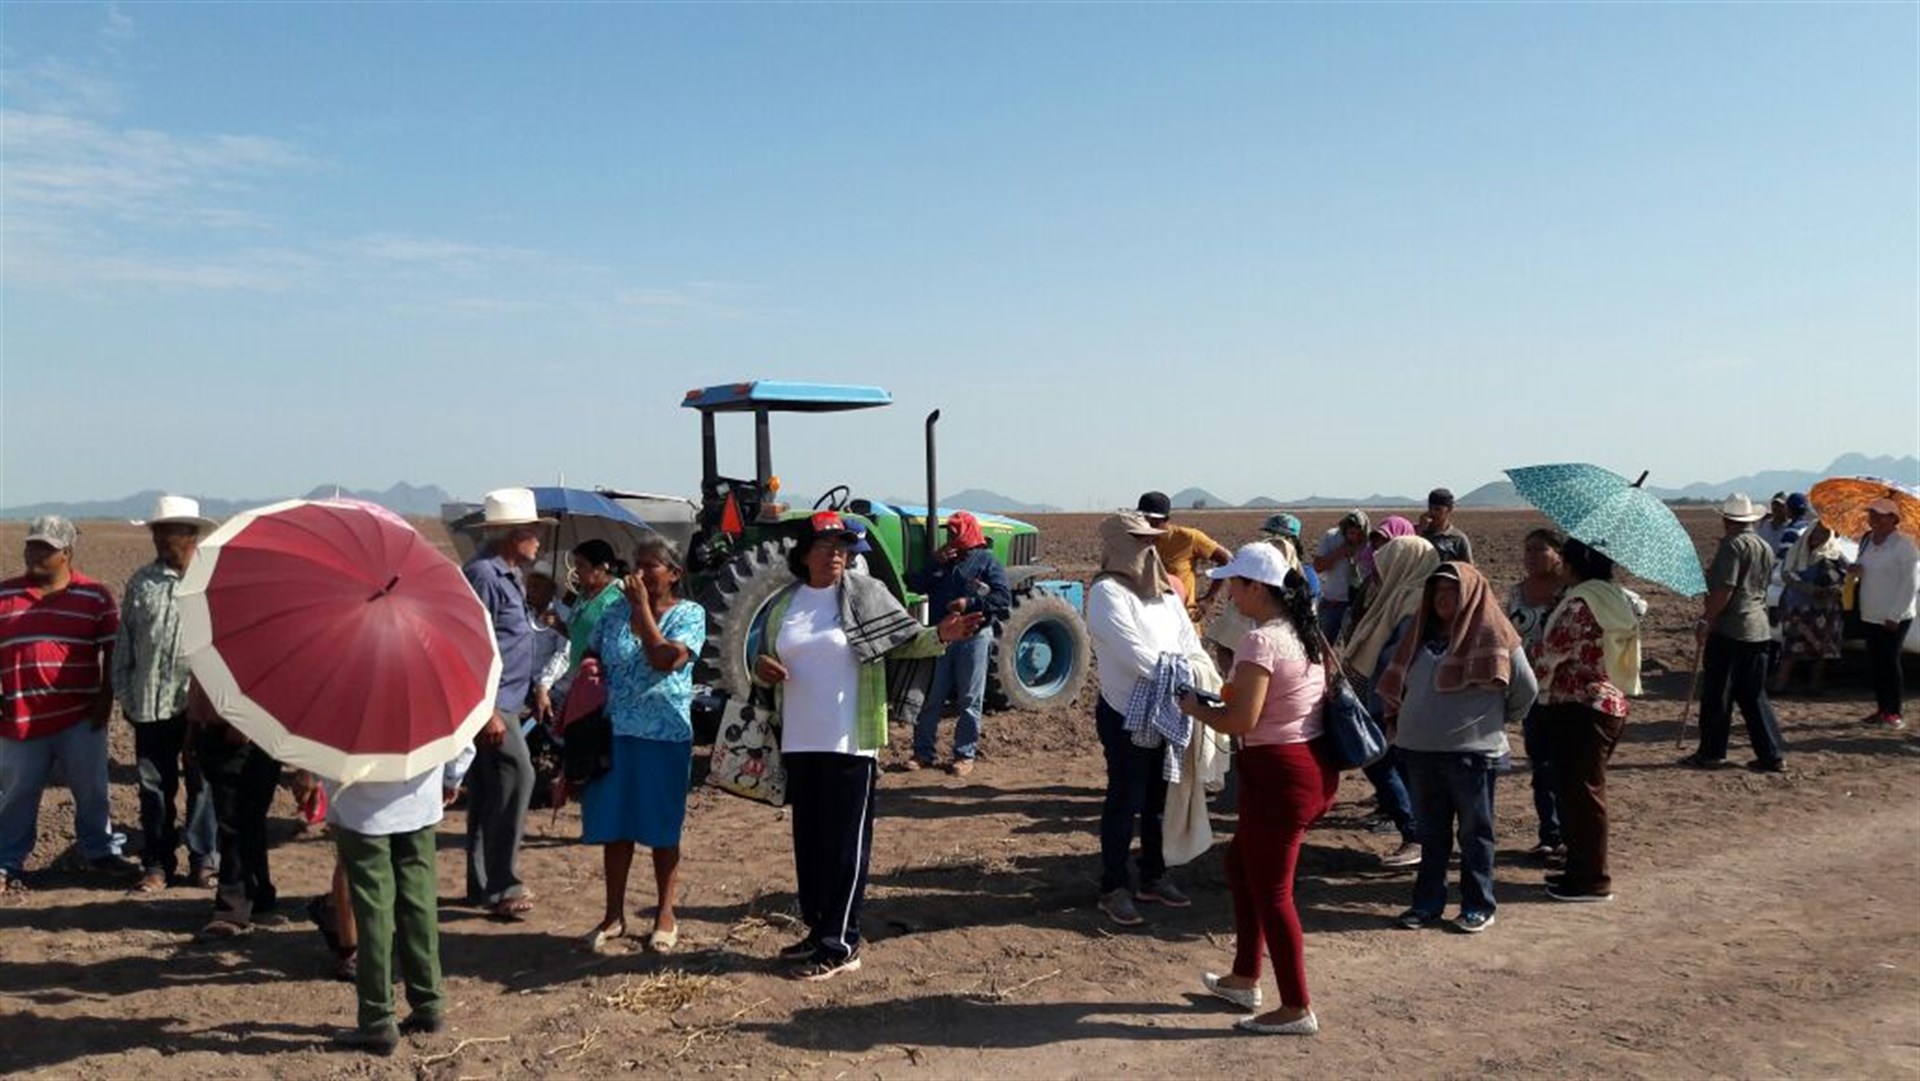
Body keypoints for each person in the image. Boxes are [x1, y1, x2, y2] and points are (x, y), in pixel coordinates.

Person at [752, 511, 982, 981]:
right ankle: (818, 931)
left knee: (845, 847)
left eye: (843, 546)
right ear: (804, 553)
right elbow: (763, 657)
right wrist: (762, 668)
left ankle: (842, 943)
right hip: (799, 739)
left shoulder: (863, 594)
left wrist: (941, 634)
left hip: (849, 740)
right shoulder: (785, 605)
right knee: (811, 845)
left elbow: (905, 640)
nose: (837, 553)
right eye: (827, 544)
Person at [1178, 543, 1337, 1037]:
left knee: (1272, 890)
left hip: (1277, 774)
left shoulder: (1261, 642)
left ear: (1256, 587)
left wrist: (1193, 707)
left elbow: (1240, 719)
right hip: (1305, 767)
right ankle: (1245, 977)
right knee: (1241, 865)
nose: (1227, 594)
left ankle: (1296, 1005)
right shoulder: (1302, 632)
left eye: (1234, 584)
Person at [1376, 563, 1537, 934]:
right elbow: (1396, 682)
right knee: (1432, 834)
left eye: (1452, 591)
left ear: (1471, 593)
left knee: (1474, 834)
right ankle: (1427, 904)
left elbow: (1524, 688)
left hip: (1472, 755)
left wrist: (1492, 721)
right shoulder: (1418, 634)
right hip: (1418, 752)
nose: (1443, 599)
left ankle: (1478, 905)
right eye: (1437, 591)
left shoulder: (1495, 635)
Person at [581, 535, 706, 954]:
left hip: (663, 736)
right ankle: (613, 914)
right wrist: (589, 668)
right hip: (615, 732)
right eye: (636, 564)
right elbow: (593, 651)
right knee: (615, 828)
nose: (638, 574)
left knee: (661, 828)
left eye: (650, 565)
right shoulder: (615, 611)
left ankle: (665, 914)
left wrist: (642, 610)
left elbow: (664, 658)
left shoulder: (689, 614)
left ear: (674, 574)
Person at [0, 516, 134, 891]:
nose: (34, 554)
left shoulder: (95, 596)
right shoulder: (4, 596)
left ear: (67, 554)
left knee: (92, 788)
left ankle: (99, 851)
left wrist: (105, 700)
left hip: (79, 716)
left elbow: (112, 651)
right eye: (31, 545)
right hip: (20, 716)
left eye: (45, 548)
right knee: (16, 791)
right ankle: (7, 861)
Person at [1085, 511, 1205, 926]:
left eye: (1152, 540)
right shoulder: (1107, 593)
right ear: (1119, 544)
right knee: (1124, 800)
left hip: (1169, 707)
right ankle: (1113, 886)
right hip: (1125, 713)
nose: (1149, 548)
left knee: (1157, 801)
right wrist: (1184, 675)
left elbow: (1189, 640)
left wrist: (1197, 673)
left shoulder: (1165, 593)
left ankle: (1153, 875)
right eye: (1140, 540)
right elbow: (1135, 654)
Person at [447, 487, 553, 920]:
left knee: (491, 790)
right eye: (533, 533)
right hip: (492, 703)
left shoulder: (509, 575)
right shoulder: (486, 576)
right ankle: (504, 883)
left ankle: (482, 884)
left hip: (508, 698)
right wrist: (487, 708)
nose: (539, 542)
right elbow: (467, 643)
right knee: (518, 776)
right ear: (513, 534)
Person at [112, 496, 220, 895]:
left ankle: (203, 860)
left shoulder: (212, 579)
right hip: (150, 705)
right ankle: (157, 864)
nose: (158, 537)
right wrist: (125, 693)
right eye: (156, 530)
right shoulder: (143, 581)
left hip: (201, 707)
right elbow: (126, 642)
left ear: (191, 535)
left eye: (167, 530)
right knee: (154, 787)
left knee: (202, 784)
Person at [1533, 539, 1641, 903]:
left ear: (1574, 563)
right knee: (1583, 792)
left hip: (1579, 706)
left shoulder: (1581, 604)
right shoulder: (1614, 598)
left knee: (1582, 795)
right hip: (1607, 702)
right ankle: (1580, 869)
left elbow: (1552, 652)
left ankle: (1591, 879)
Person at [323, 764, 449, 1055]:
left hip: (361, 806)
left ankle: (377, 1018)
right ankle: (428, 1002)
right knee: (419, 901)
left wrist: (328, 791)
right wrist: (453, 775)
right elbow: (460, 732)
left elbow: (322, 746)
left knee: (373, 910)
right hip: (420, 796)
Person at [1342, 534, 1440, 867]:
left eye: (1386, 566)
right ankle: (1419, 834)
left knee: (1379, 761)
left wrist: (1388, 707)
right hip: (1393, 700)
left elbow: (1397, 656)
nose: (1378, 574)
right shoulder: (1405, 597)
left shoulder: (1412, 601)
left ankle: (1415, 836)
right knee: (1395, 766)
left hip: (1396, 703)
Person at [1683, 494, 1788, 773]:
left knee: (1718, 693)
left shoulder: (1732, 545)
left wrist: (1706, 619)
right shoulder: (1763, 545)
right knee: (1753, 694)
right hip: (1758, 628)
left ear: (1727, 519)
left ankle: (1712, 752)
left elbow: (1725, 589)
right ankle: (1772, 753)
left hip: (1731, 629)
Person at [909, 511, 1011, 775]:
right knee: (932, 697)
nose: (951, 537)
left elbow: (1002, 599)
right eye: (949, 533)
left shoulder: (986, 561)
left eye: (955, 532)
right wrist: (934, 564)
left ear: (968, 532)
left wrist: (970, 603)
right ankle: (923, 753)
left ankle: (964, 754)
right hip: (941, 637)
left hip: (974, 636)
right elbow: (916, 584)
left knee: (969, 697)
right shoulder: (944, 561)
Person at [190, 679, 284, 937]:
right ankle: (258, 891)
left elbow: (262, 676)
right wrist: (194, 727)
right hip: (215, 731)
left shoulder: (259, 639)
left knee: (236, 823)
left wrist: (243, 724)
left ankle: (233, 908)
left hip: (245, 737)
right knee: (245, 819)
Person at [1506, 528, 1571, 860]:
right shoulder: (1517, 593)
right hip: (1531, 688)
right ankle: (1550, 832)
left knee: (1565, 763)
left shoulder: (1571, 594)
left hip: (1566, 689)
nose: (1531, 556)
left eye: (1539, 550)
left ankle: (1569, 835)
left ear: (1558, 553)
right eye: (1527, 550)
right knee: (1541, 763)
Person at [1851, 499, 1918, 728]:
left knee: (1890, 661)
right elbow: (1862, 567)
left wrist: (1895, 614)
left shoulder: (1904, 545)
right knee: (1877, 662)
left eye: (1880, 515)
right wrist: (1855, 570)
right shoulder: (1867, 540)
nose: (1874, 519)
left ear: (1893, 518)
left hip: (1894, 614)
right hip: (1870, 611)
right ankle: (1881, 708)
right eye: (1872, 514)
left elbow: (1910, 583)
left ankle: (1894, 711)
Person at [1773, 521, 1849, 696]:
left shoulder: (1835, 554)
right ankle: (1780, 685)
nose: (1818, 537)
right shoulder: (1797, 551)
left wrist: (1835, 589)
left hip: (1826, 610)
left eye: (1823, 533)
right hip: (1798, 608)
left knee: (1821, 649)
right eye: (1815, 533)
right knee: (1791, 648)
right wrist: (1810, 589)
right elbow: (1787, 575)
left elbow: (1848, 576)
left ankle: (1815, 686)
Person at [1137, 491, 1230, 622]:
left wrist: (1209, 599)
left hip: (1183, 617)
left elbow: (1225, 560)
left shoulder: (1189, 538)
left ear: (1166, 519)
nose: (1147, 526)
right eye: (1143, 520)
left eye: (1153, 522)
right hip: (1149, 617)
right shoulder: (1135, 540)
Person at [1311, 511, 1369, 641]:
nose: (1355, 538)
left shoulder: (1369, 541)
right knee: (1325, 644)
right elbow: (1318, 567)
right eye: (1352, 533)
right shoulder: (1332, 537)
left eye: (1359, 534)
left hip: (1359, 604)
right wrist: (1339, 553)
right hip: (1333, 603)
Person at [1419, 488, 1474, 564]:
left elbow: (1468, 568)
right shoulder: (1420, 534)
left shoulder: (1458, 538)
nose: (1432, 513)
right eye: (1430, 508)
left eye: (1437, 509)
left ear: (1450, 509)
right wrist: (1420, 531)